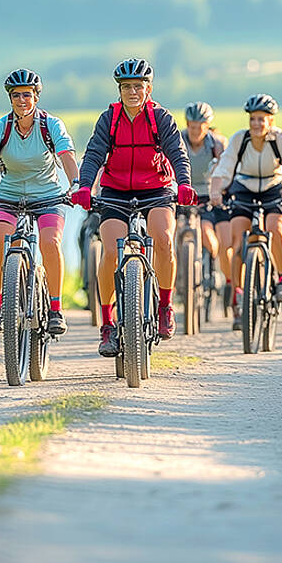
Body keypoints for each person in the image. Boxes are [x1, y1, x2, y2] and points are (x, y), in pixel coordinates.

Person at [70, 58, 196, 355]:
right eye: (126, 87)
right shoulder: (109, 119)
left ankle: (165, 305)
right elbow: (93, 155)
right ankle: (107, 323)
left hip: (157, 188)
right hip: (115, 190)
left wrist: (184, 183)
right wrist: (85, 187)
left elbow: (177, 152)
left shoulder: (160, 118)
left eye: (138, 86)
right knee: (111, 249)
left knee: (163, 239)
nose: (132, 92)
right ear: (119, 90)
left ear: (148, 88)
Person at [0, 69, 80, 338]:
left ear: (36, 97)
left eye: (27, 95)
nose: (22, 100)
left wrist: (76, 185)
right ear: (10, 98)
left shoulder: (51, 125)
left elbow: (67, 158)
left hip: (48, 196)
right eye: (17, 95)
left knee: (50, 242)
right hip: (9, 195)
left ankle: (55, 309)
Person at [210, 94, 282, 324]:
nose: (256, 124)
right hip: (244, 187)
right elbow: (224, 168)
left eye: (262, 119)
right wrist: (215, 190)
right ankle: (239, 294)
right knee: (237, 242)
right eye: (253, 119)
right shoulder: (239, 139)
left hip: (275, 187)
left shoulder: (280, 139)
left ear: (271, 121)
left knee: (276, 228)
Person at [182, 102, 229, 294]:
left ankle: (213, 266)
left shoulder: (217, 144)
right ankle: (180, 277)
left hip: (209, 193)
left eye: (200, 126)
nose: (195, 131)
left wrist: (222, 191)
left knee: (206, 231)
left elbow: (226, 169)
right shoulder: (178, 140)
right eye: (192, 126)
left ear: (207, 125)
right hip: (183, 192)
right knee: (175, 231)